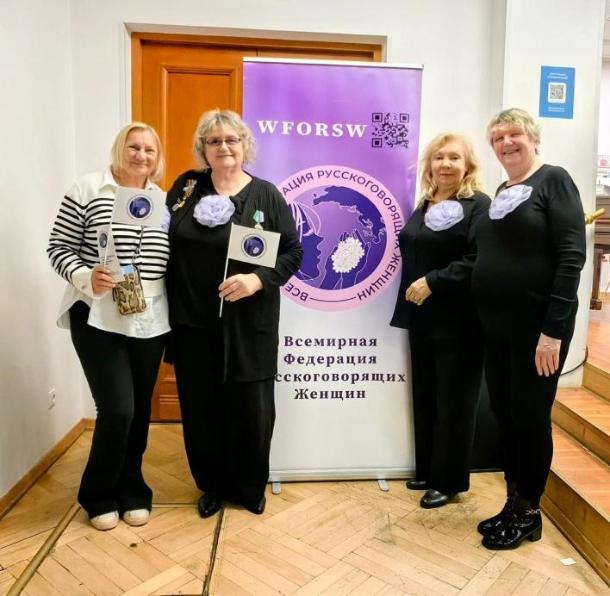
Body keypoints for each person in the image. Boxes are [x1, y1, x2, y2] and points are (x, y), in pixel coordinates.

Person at [164, 109, 302, 517]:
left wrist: (257, 280)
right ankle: (211, 486)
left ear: (244, 145)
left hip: (249, 325)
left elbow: (293, 252)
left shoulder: (266, 195)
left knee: (251, 410)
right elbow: (162, 237)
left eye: (231, 139)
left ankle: (248, 486)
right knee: (201, 408)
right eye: (214, 141)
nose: (223, 147)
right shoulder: (186, 187)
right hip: (193, 322)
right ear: (203, 149)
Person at [472, 108, 586, 549]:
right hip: (497, 329)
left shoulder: (554, 180)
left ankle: (529, 512)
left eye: (514, 133)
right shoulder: (503, 191)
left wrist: (553, 331)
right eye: (497, 137)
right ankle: (512, 502)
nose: (506, 142)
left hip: (538, 331)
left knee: (531, 419)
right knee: (505, 417)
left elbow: (571, 257)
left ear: (533, 138)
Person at [47, 122, 170, 530]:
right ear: (120, 148)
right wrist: (86, 275)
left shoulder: (163, 202)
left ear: (157, 157)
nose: (141, 155)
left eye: (149, 149)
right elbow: (58, 247)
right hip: (97, 312)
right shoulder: (88, 189)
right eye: (133, 146)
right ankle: (98, 493)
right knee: (118, 408)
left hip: (150, 316)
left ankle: (132, 488)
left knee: (139, 410)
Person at [390, 133, 490, 509]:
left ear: (468, 165)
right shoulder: (426, 203)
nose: (445, 164)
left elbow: (479, 259)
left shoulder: (479, 205)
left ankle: (449, 481)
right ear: (429, 165)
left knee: (455, 401)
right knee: (427, 395)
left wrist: (433, 281)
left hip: (460, 320)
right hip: (422, 316)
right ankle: (429, 469)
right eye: (438, 157)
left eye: (454, 157)